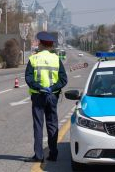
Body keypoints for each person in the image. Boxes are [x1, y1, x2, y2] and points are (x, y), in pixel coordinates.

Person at [24, 31, 68, 162]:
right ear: (50, 45)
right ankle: (53, 154)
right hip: (52, 96)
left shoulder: (33, 59)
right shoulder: (56, 59)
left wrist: (39, 87)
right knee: (52, 125)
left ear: (41, 44)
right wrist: (52, 88)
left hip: (38, 96)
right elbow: (63, 80)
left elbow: (28, 78)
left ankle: (38, 156)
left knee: (38, 125)